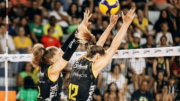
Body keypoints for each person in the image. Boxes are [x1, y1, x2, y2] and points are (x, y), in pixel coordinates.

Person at [67, 7, 136, 101]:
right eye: (101, 55)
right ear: (98, 56)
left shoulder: (79, 60)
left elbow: (97, 46)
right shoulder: (94, 67)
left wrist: (111, 25)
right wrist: (125, 24)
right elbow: (113, 48)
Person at [33, 10, 93, 101]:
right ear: (52, 60)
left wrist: (80, 26)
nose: (60, 55)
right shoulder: (53, 70)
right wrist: (80, 35)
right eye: (58, 55)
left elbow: (65, 46)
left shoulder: (47, 64)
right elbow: (69, 51)